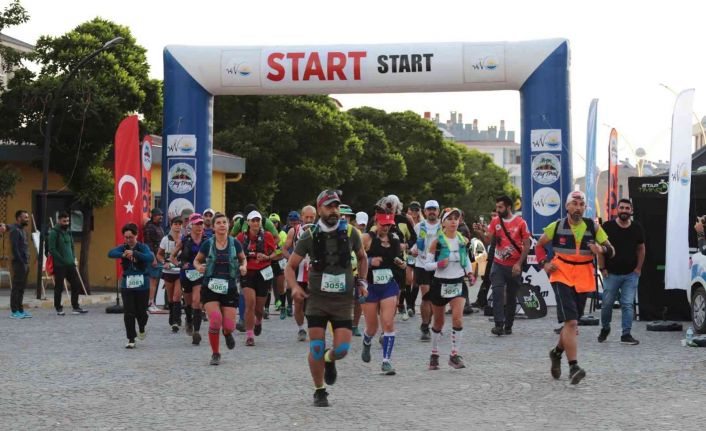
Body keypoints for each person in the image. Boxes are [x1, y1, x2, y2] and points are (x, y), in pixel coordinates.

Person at [284, 189, 368, 407]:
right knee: (316, 347)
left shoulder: (351, 233)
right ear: (319, 209)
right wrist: (294, 287)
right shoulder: (309, 235)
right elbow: (290, 266)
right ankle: (319, 390)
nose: (334, 210)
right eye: (329, 206)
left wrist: (362, 282)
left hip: (342, 301)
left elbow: (362, 257)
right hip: (317, 300)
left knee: (341, 350)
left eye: (336, 206)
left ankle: (329, 360)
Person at [534, 190, 614, 385]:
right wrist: (544, 263)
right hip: (561, 274)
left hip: (583, 277)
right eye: (574, 204)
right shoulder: (556, 226)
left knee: (571, 323)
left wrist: (601, 249)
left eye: (581, 204)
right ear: (567, 206)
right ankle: (574, 367)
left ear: (585, 207)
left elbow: (612, 250)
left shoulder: (593, 227)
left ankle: (556, 353)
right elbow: (539, 245)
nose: (578, 208)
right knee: (571, 322)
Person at [193, 213, 248, 365]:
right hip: (210, 286)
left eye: (224, 222)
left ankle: (227, 333)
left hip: (229, 287)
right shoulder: (208, 244)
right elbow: (196, 261)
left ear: (229, 225)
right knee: (216, 320)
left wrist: (243, 267)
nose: (222, 225)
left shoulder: (235, 243)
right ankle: (215, 353)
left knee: (229, 326)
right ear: (213, 227)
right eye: (218, 223)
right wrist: (199, 267)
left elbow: (243, 259)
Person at [425, 208, 475, 370]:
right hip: (440, 284)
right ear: (443, 222)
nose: (454, 221)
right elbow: (427, 265)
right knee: (438, 322)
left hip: (458, 282)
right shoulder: (436, 242)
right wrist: (439, 264)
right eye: (450, 219)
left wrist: (470, 273)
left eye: (456, 218)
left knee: (457, 319)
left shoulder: (462, 240)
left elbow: (466, 259)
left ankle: (454, 355)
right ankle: (434, 353)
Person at [475, 196, 531, 336]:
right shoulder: (495, 221)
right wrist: (479, 232)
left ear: (508, 207)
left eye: (500, 207)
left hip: (514, 266)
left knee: (511, 296)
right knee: (497, 293)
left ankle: (508, 325)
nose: (498, 210)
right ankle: (498, 324)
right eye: (497, 207)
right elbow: (487, 241)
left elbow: (527, 245)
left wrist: (519, 264)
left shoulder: (521, 222)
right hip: (498, 265)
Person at [360, 211, 405, 375]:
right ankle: (367, 341)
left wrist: (401, 263)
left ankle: (386, 361)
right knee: (372, 327)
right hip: (370, 286)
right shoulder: (366, 238)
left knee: (388, 323)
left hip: (388, 285)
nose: (386, 228)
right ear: (376, 223)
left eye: (389, 225)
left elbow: (396, 258)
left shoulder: (394, 239)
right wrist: (370, 261)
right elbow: (354, 258)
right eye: (383, 224)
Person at [598, 199, 645, 345]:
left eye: (627, 208)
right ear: (617, 209)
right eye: (622, 207)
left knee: (627, 304)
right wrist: (602, 268)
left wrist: (638, 268)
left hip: (630, 274)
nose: (624, 210)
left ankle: (626, 334)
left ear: (631, 210)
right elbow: (601, 249)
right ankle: (605, 328)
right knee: (607, 304)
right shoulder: (607, 226)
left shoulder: (637, 227)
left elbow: (641, 249)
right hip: (611, 273)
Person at [108, 223, 155, 348]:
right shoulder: (123, 248)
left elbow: (150, 257)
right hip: (127, 284)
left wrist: (135, 254)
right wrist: (123, 254)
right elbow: (111, 253)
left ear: (136, 235)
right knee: (129, 311)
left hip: (142, 284)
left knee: (141, 312)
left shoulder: (142, 247)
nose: (128, 240)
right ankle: (131, 338)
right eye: (126, 237)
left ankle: (142, 327)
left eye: (131, 237)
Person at [236, 210, 278, 346]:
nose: (255, 223)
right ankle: (249, 336)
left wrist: (267, 257)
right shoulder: (241, 237)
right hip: (247, 273)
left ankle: (258, 321)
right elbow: (234, 253)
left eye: (257, 220)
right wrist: (240, 263)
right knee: (250, 303)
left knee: (259, 309)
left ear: (260, 222)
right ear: (248, 222)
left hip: (263, 273)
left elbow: (277, 253)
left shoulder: (267, 236)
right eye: (253, 220)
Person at [283, 205, 317, 341]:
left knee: (313, 305)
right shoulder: (294, 231)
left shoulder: (320, 230)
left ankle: (313, 328)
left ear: (315, 217)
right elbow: (284, 249)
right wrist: (292, 260)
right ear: (301, 217)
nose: (309, 220)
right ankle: (301, 329)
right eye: (306, 217)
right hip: (298, 272)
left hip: (314, 273)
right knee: (298, 303)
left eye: (311, 217)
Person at [172, 213, 206, 345]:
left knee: (197, 301)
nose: (199, 226)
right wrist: (180, 264)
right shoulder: (185, 240)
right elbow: (172, 257)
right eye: (197, 224)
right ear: (191, 225)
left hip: (200, 274)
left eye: (201, 224)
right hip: (186, 274)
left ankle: (196, 332)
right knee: (188, 302)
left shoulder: (207, 240)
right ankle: (189, 319)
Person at [410, 200, 442, 341]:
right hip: (422, 264)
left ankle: (431, 324)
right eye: (429, 209)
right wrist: (413, 251)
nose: (432, 212)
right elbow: (413, 244)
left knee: (436, 298)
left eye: (434, 209)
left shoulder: (443, 226)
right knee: (426, 296)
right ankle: (424, 326)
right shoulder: (418, 226)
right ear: (425, 211)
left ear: (438, 211)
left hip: (438, 265)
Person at [49, 212, 87, 315]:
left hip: (70, 264)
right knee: (59, 287)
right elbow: (52, 249)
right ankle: (58, 308)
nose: (66, 223)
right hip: (59, 265)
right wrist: (62, 259)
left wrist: (73, 258)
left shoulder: (68, 232)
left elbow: (72, 246)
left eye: (67, 221)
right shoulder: (54, 233)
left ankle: (76, 307)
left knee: (76, 284)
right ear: (59, 221)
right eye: (64, 221)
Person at [157, 216, 184, 333]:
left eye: (179, 224)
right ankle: (172, 317)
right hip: (168, 272)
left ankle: (176, 321)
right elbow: (159, 254)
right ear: (171, 225)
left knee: (176, 297)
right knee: (170, 298)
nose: (177, 226)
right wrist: (164, 262)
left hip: (179, 272)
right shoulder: (165, 239)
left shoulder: (184, 239)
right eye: (175, 224)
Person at [9, 210, 31, 318]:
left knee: (22, 288)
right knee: (17, 287)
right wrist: (21, 260)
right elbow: (15, 248)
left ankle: (20, 310)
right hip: (19, 263)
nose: (27, 219)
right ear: (18, 218)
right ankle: (14, 311)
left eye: (27, 217)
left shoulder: (23, 230)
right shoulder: (15, 230)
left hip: (25, 263)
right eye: (25, 217)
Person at [268, 213, 290, 320]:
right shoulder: (266, 234)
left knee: (281, 286)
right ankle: (266, 309)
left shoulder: (282, 234)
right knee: (268, 287)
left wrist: (273, 254)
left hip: (280, 262)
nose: (273, 224)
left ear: (278, 223)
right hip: (269, 262)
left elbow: (282, 250)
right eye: (271, 222)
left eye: (275, 222)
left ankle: (283, 307)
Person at [144, 208, 165, 313]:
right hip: (154, 258)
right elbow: (148, 244)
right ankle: (150, 303)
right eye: (158, 215)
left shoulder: (159, 226)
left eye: (161, 215)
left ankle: (152, 302)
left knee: (156, 281)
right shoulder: (149, 227)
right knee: (152, 281)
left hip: (159, 257)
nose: (160, 217)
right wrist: (153, 258)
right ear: (153, 216)